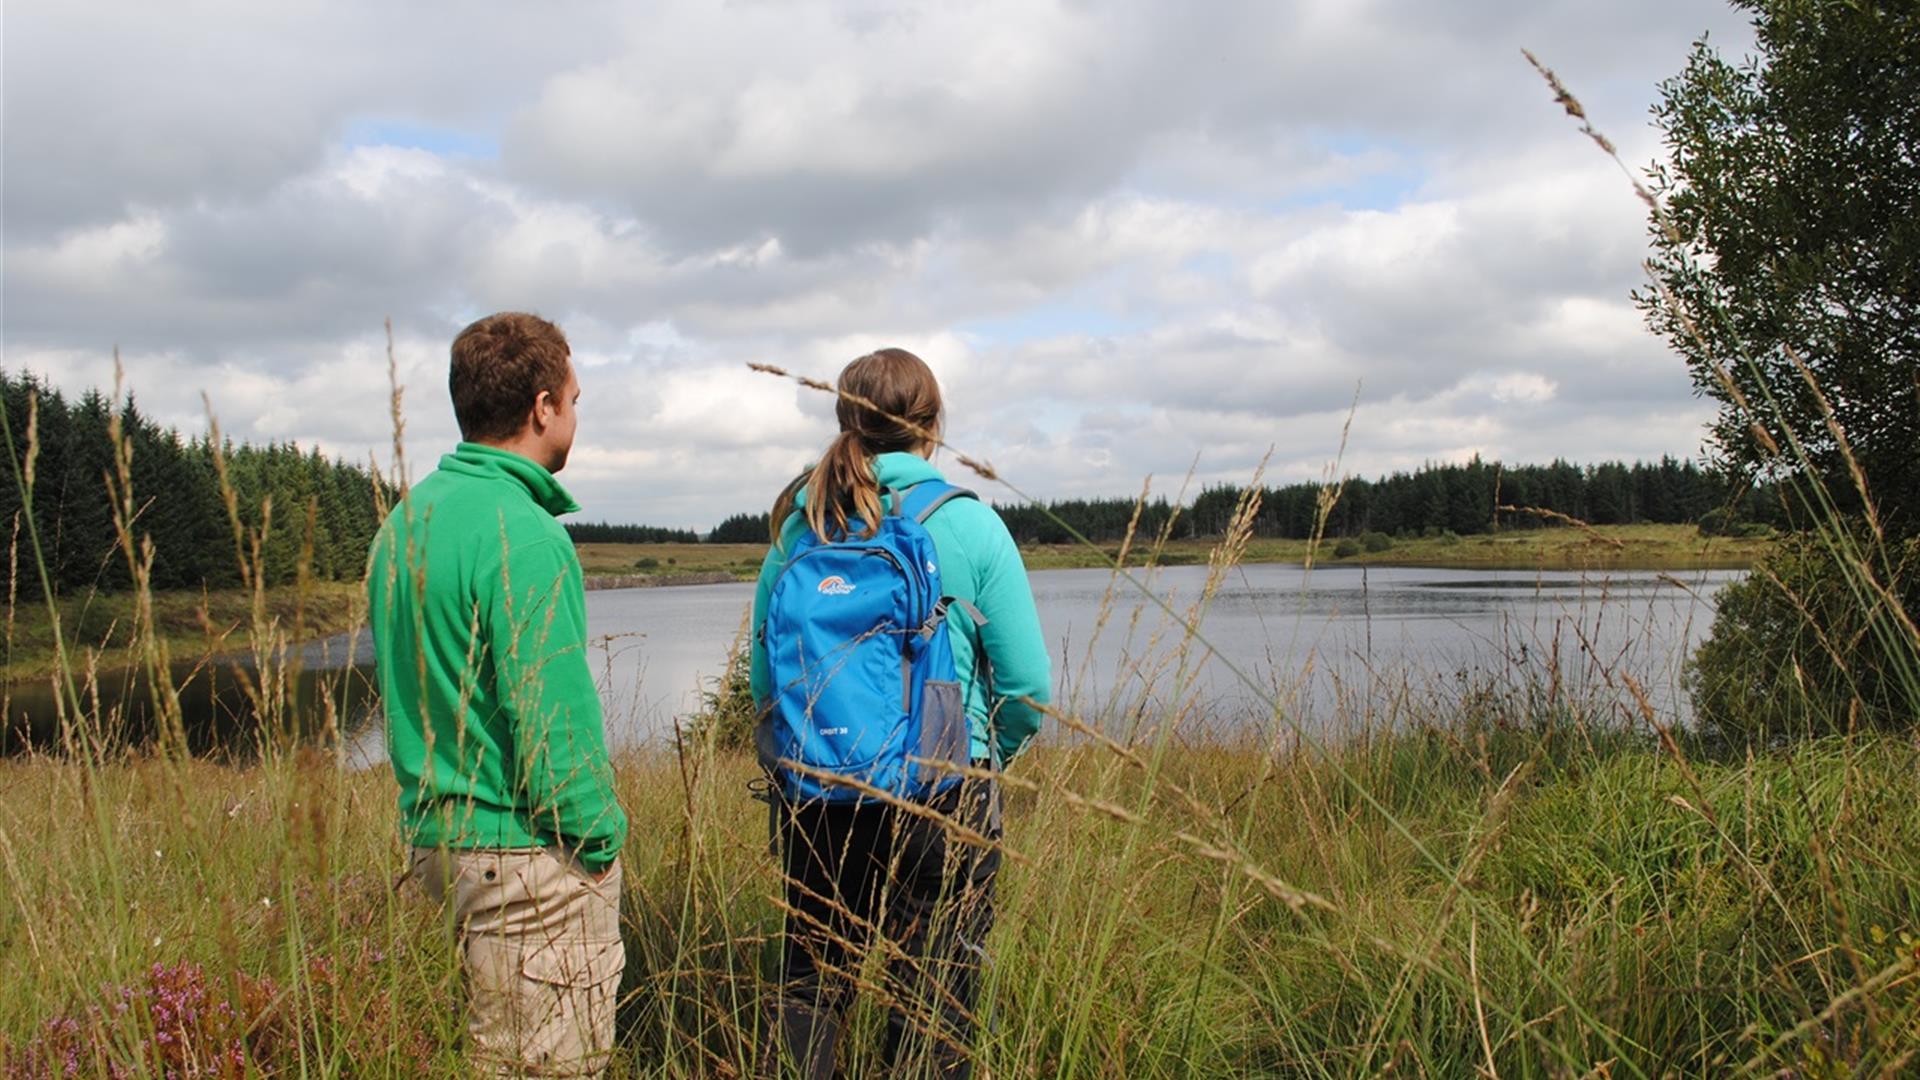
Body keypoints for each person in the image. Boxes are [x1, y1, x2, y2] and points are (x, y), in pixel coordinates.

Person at [749, 347, 1051, 1079]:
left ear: (846, 419)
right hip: (945, 786)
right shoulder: (971, 526)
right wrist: (985, 754)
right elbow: (1028, 688)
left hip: (820, 788)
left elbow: (764, 679)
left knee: (815, 978)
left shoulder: (802, 527)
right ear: (933, 425)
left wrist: (803, 763)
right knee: (938, 989)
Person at [367, 312, 628, 1077]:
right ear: (543, 406)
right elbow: (556, 730)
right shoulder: (528, 534)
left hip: (438, 844)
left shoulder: (406, 522)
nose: (575, 416)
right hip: (524, 860)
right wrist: (600, 839)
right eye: (574, 399)